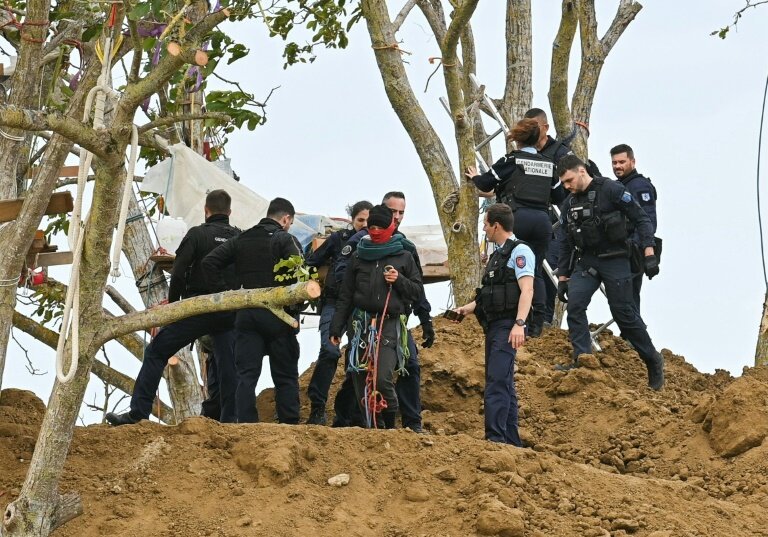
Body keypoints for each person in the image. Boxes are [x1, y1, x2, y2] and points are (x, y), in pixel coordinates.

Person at [106, 189, 239, 426]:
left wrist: (174, 307)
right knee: (228, 363)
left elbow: (178, 271)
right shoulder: (239, 237)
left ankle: (138, 413)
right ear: (229, 212)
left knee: (156, 352)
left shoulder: (197, 234)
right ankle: (230, 421)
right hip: (228, 311)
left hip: (195, 309)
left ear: (206, 211)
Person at [556, 155, 664, 390]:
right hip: (588, 261)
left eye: (569, 180)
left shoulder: (612, 190)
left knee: (624, 313)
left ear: (582, 171)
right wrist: (562, 277)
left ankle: (653, 361)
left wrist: (649, 254)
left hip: (616, 258)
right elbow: (565, 240)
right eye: (563, 183)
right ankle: (582, 359)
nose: (567, 186)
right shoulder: (570, 203)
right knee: (574, 305)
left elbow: (642, 219)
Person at [202, 197, 303, 423]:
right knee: (285, 376)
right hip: (280, 315)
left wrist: (228, 295)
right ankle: (289, 425)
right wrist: (295, 305)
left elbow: (210, 262)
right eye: (290, 222)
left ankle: (246, 425)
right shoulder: (285, 239)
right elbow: (300, 276)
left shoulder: (241, 239)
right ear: (286, 219)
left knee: (246, 375)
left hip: (247, 314)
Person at [466, 118, 564, 338]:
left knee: (506, 269)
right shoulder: (549, 163)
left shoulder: (511, 159)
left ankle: (508, 317)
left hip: (516, 218)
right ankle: (537, 324)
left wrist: (475, 177)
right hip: (542, 221)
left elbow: (485, 183)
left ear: (517, 139)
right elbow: (559, 196)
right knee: (535, 271)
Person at [329, 205, 423, 429]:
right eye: (372, 227)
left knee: (382, 378)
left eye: (381, 226)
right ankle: (373, 428)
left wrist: (399, 280)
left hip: (389, 324)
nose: (376, 230)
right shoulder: (358, 256)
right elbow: (346, 296)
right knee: (360, 377)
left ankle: (390, 426)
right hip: (360, 324)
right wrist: (336, 329)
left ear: (390, 226)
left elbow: (417, 291)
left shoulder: (404, 256)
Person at [451, 204, 534, 445]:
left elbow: (527, 290)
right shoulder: (498, 255)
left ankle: (495, 439)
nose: (484, 229)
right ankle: (511, 440)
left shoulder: (520, 252)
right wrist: (467, 308)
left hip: (508, 325)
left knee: (497, 381)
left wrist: (519, 324)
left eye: (486, 224)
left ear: (496, 225)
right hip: (494, 326)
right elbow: (489, 293)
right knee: (502, 382)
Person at [305, 200, 372, 425]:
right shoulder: (339, 239)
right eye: (360, 220)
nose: (364, 224)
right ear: (352, 220)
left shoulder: (375, 243)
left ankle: (348, 413)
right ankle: (317, 407)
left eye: (368, 221)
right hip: (334, 303)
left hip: (359, 307)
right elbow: (311, 261)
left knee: (358, 358)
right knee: (330, 351)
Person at [610, 144, 658, 312]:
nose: (617, 166)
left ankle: (633, 336)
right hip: (619, 248)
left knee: (629, 297)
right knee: (621, 297)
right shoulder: (618, 185)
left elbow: (649, 220)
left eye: (622, 162)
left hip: (632, 250)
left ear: (633, 161)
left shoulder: (639, 186)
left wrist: (641, 248)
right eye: (614, 162)